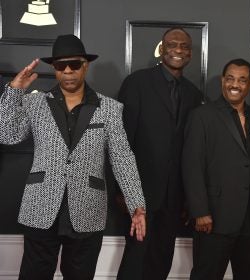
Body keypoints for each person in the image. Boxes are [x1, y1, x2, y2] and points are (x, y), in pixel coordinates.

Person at [0, 34, 146, 280]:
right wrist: (14, 92)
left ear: (85, 65)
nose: (68, 70)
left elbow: (123, 158)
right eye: (60, 65)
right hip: (41, 205)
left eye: (74, 64)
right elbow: (7, 134)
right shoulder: (35, 104)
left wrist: (137, 205)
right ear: (54, 69)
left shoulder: (109, 108)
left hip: (87, 209)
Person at [117, 27, 203, 280]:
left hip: (174, 198)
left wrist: (189, 197)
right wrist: (123, 190)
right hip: (139, 194)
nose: (178, 50)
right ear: (162, 48)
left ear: (190, 53)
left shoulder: (193, 94)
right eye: (172, 44)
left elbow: (190, 149)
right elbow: (122, 140)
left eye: (184, 46)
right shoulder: (137, 83)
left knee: (161, 259)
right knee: (135, 260)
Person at [182, 58, 250, 280]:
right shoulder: (202, 116)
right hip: (214, 218)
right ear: (223, 81)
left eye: (242, 80)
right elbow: (191, 166)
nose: (235, 84)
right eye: (230, 78)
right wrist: (200, 211)